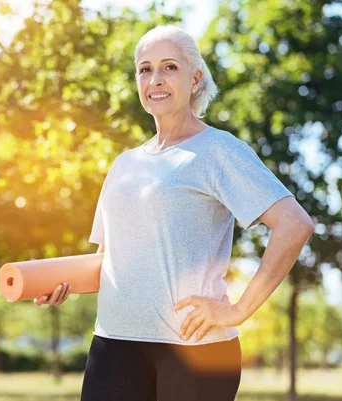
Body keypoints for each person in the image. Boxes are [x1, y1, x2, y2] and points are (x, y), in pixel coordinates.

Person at [34, 24, 314, 401]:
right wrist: (54, 282)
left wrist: (239, 310)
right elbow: (110, 261)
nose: (155, 79)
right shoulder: (124, 164)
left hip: (193, 351)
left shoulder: (217, 150)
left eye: (169, 67)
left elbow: (294, 225)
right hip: (113, 344)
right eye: (145, 69)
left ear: (195, 78)